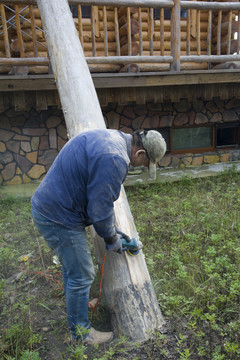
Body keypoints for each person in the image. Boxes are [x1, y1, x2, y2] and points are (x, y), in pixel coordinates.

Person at [31, 128, 166, 344]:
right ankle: (81, 334)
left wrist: (114, 232)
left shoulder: (114, 138)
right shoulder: (115, 158)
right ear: (140, 153)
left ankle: (77, 309)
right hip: (57, 215)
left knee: (73, 268)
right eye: (144, 163)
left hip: (52, 205)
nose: (140, 166)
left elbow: (98, 197)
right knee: (82, 274)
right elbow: (99, 211)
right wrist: (113, 240)